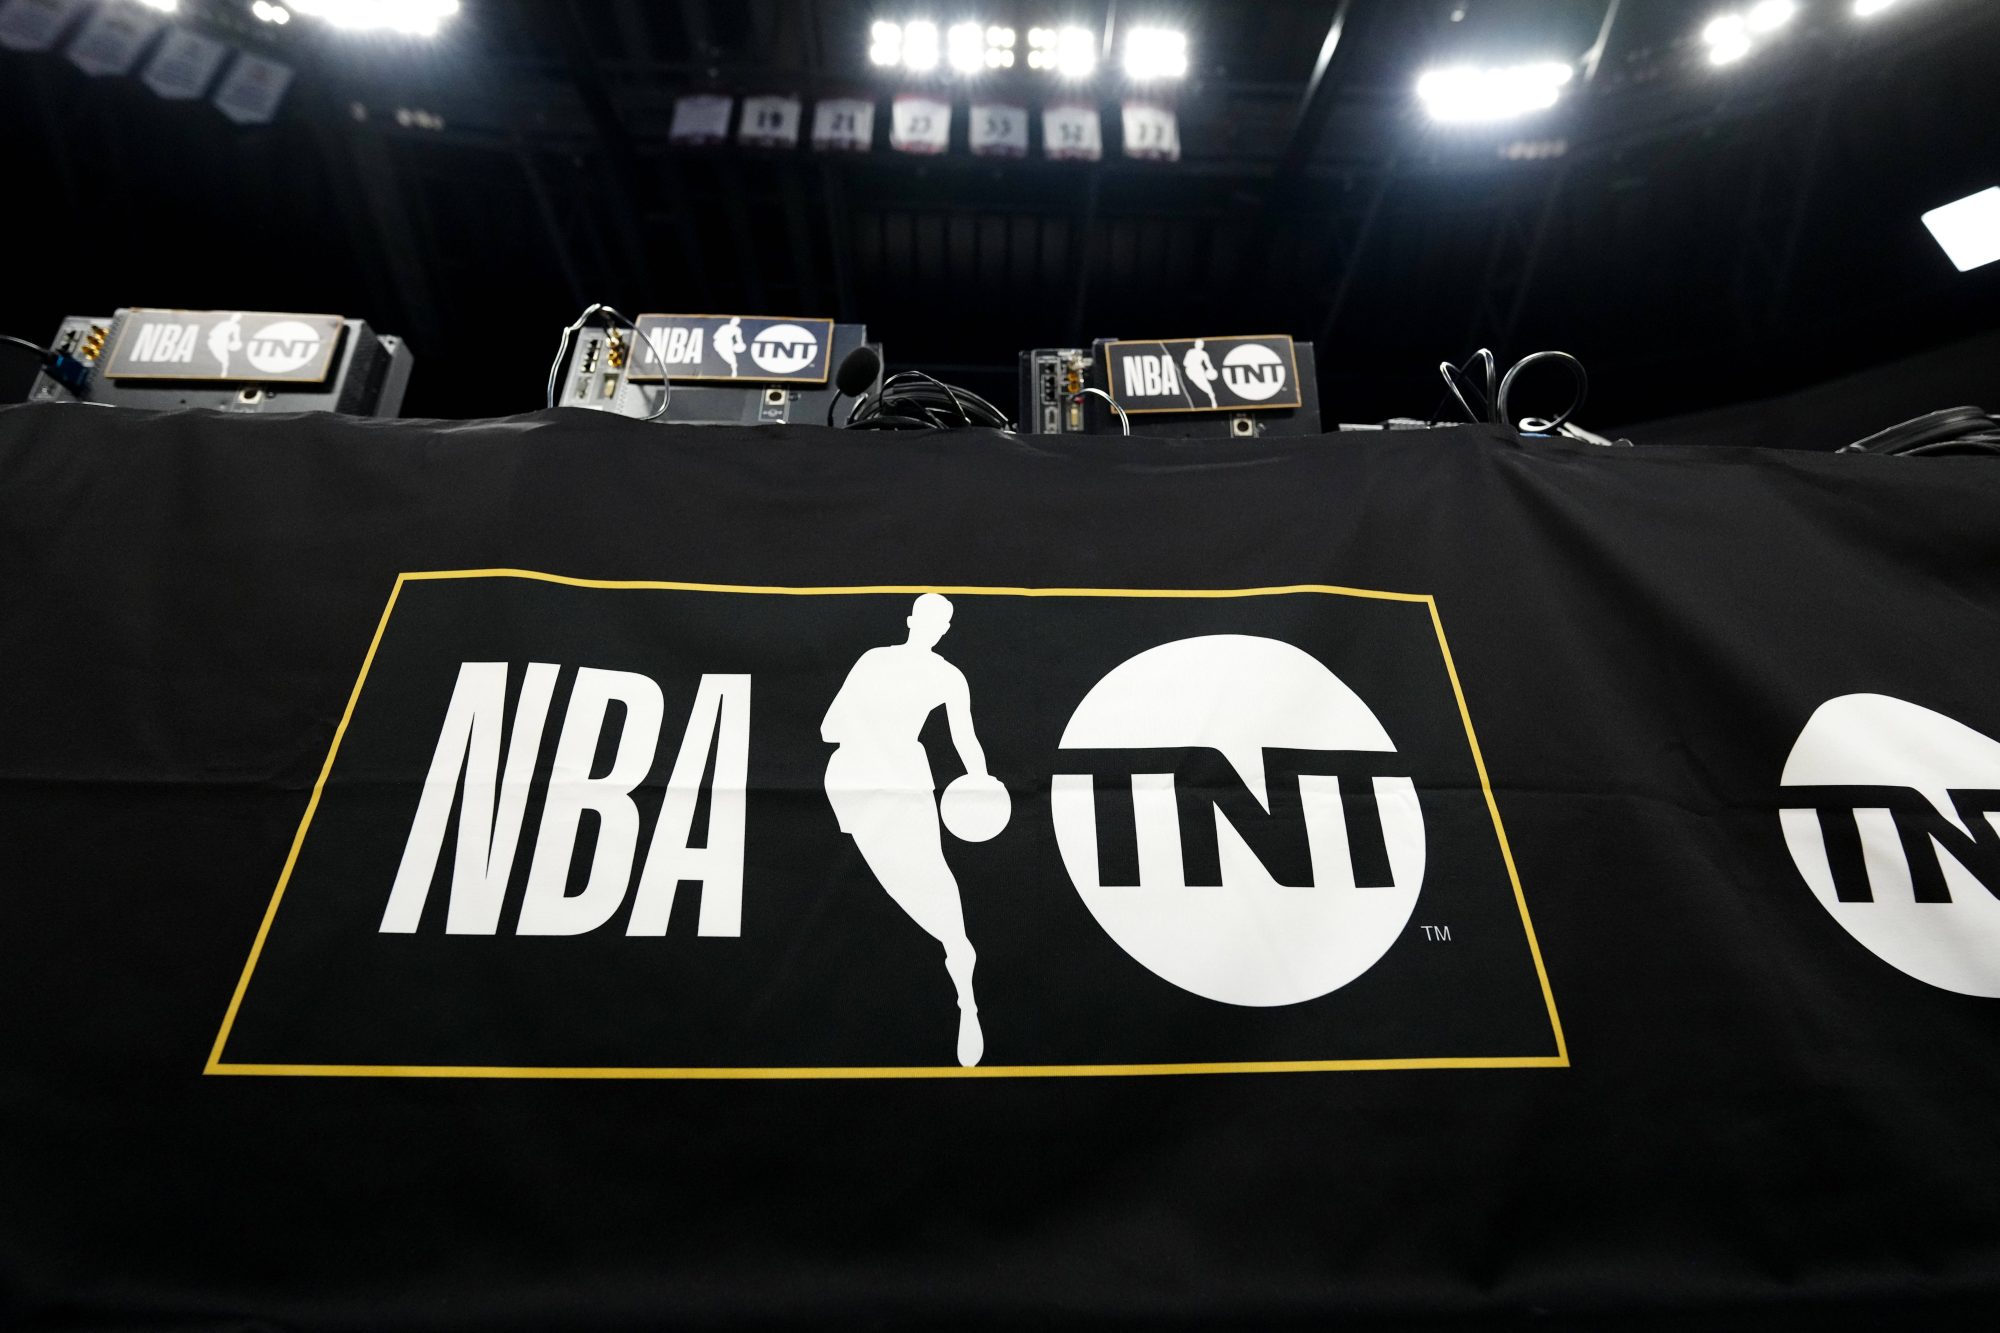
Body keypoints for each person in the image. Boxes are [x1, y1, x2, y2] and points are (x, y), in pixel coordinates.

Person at [821, 594, 993, 1067]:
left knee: (932, 880)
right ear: (914, 621)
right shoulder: (876, 661)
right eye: (930, 619)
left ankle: (963, 982)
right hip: (857, 781)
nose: (933, 628)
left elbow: (966, 740)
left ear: (943, 630)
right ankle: (955, 957)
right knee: (900, 882)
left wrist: (981, 782)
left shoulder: (948, 677)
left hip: (905, 782)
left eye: (942, 623)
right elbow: (829, 727)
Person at [1183, 337, 1218, 409]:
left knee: (1207, 386)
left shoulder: (1204, 354)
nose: (1199, 345)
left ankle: (1213, 401)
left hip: (1199, 370)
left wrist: (1211, 370)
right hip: (1191, 371)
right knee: (1199, 385)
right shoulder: (1190, 352)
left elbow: (1208, 364)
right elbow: (1185, 363)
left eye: (1201, 344)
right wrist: (1191, 365)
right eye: (1198, 344)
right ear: (1195, 344)